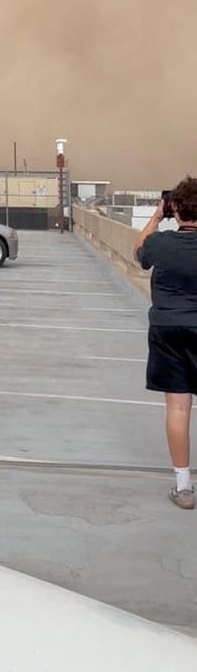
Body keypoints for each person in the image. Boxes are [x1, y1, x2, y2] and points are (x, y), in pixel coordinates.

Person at [134, 176, 197, 510]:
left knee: (178, 407)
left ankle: (184, 488)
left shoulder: (160, 243)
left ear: (175, 208)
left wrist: (157, 216)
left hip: (167, 328)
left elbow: (138, 251)